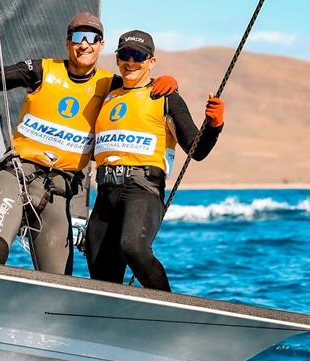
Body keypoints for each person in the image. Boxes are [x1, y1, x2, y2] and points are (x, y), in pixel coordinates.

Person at [0, 11, 178, 275]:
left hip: (57, 193)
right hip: (18, 177)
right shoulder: (41, 70)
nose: (84, 44)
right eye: (78, 37)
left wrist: (165, 84)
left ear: (101, 46)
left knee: (60, 283)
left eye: (93, 38)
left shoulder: (110, 84)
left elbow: (141, 88)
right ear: (68, 42)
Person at [84, 30, 224, 291]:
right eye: (125, 54)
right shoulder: (108, 92)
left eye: (138, 56)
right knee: (99, 271)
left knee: (133, 248)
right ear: (117, 59)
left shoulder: (166, 97)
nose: (131, 62)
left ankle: (169, 307)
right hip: (104, 195)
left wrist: (214, 125)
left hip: (141, 190)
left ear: (151, 61)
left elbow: (197, 150)